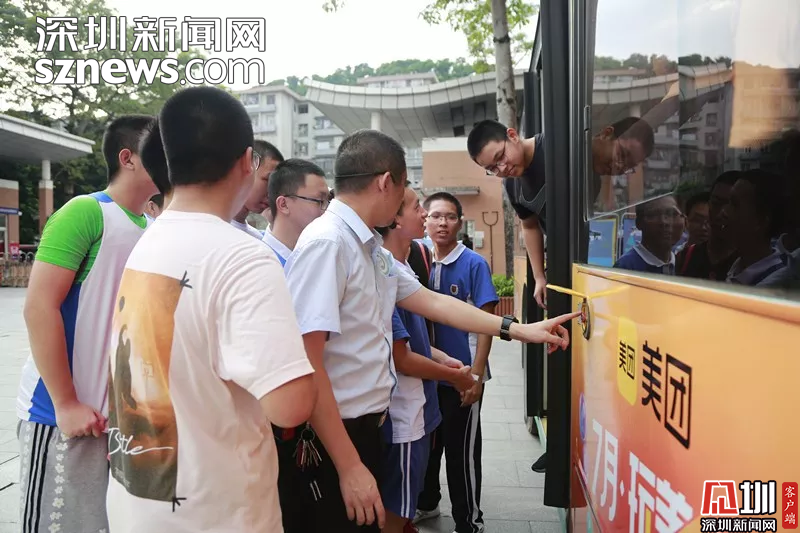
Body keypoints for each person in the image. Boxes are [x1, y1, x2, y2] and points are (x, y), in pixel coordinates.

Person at [282, 128, 580, 533]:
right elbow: (306, 362)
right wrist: (349, 465)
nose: (419, 210)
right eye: (407, 189)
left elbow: (434, 303)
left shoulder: (369, 248)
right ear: (386, 182)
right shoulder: (328, 244)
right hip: (339, 435)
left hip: (369, 427)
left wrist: (520, 330)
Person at [104, 86, 316, 532]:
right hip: (215, 513)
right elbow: (290, 406)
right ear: (246, 162)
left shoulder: (150, 240)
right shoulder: (241, 256)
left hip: (137, 503)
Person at [466, 117, 654, 475]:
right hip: (564, 275)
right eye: (492, 168)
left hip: (592, 266)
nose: (502, 169)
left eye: (500, 157)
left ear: (512, 135)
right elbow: (529, 225)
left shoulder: (561, 142)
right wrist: (539, 276)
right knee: (562, 353)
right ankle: (562, 443)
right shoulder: (514, 185)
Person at [16, 114, 158, 533]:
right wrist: (65, 404)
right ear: (128, 158)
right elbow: (39, 307)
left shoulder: (153, 228)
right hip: (61, 416)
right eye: (160, 151)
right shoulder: (85, 212)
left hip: (116, 422)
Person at [376, 185, 476, 533]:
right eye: (419, 208)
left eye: (447, 216)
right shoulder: (384, 271)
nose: (427, 216)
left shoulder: (405, 266)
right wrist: (453, 375)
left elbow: (421, 335)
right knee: (396, 512)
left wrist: (445, 359)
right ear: (393, 216)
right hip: (403, 415)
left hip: (420, 409)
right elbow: (402, 357)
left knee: (406, 506)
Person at [415, 192, 499, 533]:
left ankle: (469, 521)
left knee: (461, 452)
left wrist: (475, 375)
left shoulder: (473, 264)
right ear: (425, 220)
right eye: (435, 216)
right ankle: (427, 504)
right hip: (427, 374)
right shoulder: (417, 258)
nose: (442, 223)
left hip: (463, 376)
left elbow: (486, 324)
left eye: (449, 217)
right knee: (429, 445)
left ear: (460, 223)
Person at [263, 158, 330, 265]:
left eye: (328, 202)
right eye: (320, 201)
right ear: (283, 204)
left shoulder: (319, 258)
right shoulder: (259, 262)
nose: (326, 210)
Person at [676, 171, 740, 280]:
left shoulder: (746, 264)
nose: (722, 212)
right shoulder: (685, 257)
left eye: (732, 205)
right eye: (716, 203)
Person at [231, 140, 283, 238]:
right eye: (268, 180)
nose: (272, 191)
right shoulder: (211, 230)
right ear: (247, 167)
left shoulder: (258, 238)